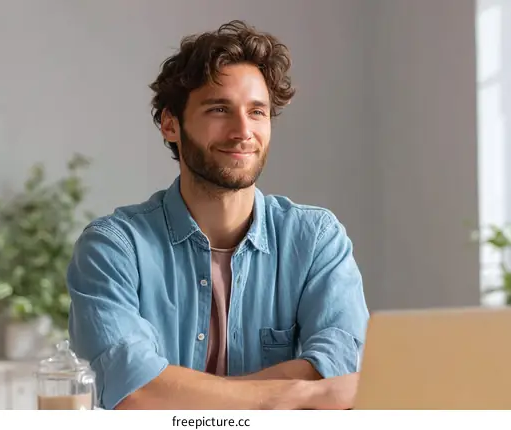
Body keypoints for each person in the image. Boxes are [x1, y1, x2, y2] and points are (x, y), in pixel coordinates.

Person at [66, 20, 369, 410]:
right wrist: (296, 392)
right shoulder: (114, 247)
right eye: (220, 109)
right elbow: (135, 392)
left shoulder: (315, 240)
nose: (243, 130)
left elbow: (341, 373)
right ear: (170, 124)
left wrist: (182, 392)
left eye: (257, 111)